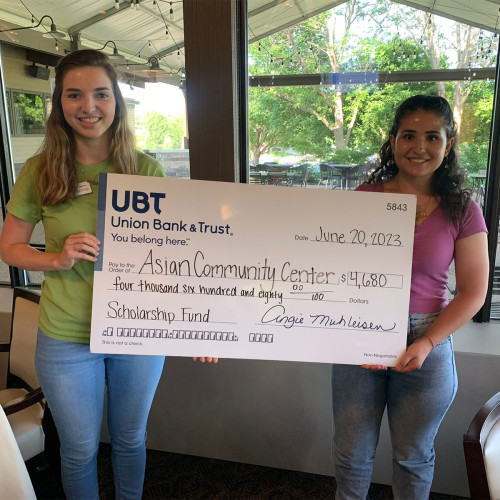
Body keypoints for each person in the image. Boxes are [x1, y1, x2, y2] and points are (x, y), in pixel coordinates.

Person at [0, 49, 179, 499]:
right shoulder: (40, 171)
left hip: (135, 333)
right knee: (79, 450)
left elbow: (176, 257)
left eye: (101, 94)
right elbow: (9, 247)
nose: (89, 106)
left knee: (130, 439)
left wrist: (197, 324)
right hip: (65, 336)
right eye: (74, 95)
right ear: (59, 104)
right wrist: (56, 258)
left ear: (116, 101)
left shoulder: (146, 169)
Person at [331, 94, 489, 500]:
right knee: (352, 457)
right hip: (360, 337)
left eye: (432, 137)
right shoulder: (365, 198)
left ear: (448, 144)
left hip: (428, 340)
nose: (419, 147)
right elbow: (331, 270)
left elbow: (473, 291)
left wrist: (426, 342)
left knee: (413, 458)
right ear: (394, 140)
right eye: (409, 135)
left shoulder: (464, 209)